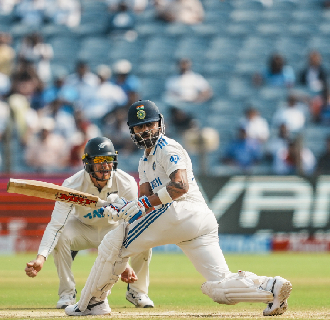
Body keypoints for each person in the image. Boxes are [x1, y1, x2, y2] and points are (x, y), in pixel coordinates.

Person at [64, 100, 292, 317]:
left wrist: (139, 206)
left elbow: (180, 186)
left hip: (180, 210)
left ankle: (92, 303)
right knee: (219, 285)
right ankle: (272, 287)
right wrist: (120, 206)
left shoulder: (167, 147)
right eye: (139, 127)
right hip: (198, 222)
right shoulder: (144, 161)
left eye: (149, 125)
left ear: (160, 124)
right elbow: (144, 201)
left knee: (113, 242)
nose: (145, 131)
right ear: (132, 131)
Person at [24, 137, 154, 309]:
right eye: (99, 161)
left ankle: (137, 292)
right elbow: (56, 225)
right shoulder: (72, 184)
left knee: (143, 236)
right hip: (83, 229)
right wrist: (41, 258)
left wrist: (123, 263)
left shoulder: (126, 182)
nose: (105, 166)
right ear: (87, 163)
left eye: (108, 160)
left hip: (113, 231)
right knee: (62, 234)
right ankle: (67, 294)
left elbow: (128, 225)